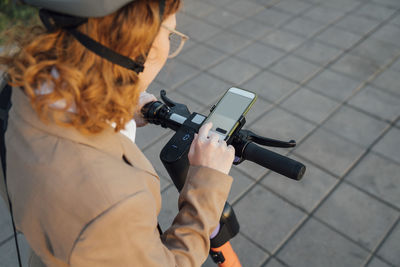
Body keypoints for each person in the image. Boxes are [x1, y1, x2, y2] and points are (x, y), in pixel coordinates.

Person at [0, 0, 235, 266]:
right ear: (133, 46)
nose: (171, 44)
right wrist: (206, 183)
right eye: (170, 34)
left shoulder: (20, 86)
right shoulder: (109, 202)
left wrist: (114, 104)